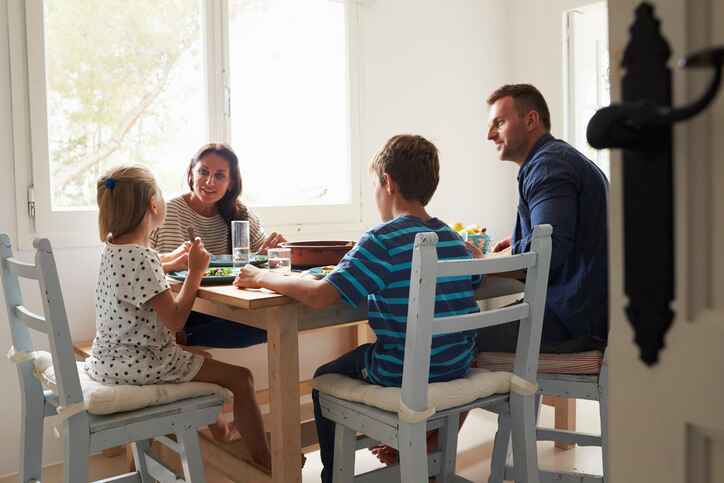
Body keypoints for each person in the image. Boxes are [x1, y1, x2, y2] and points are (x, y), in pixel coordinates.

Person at [233, 134, 482, 483]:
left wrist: (262, 276)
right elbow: (471, 283)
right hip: (455, 364)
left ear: (388, 182)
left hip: (406, 371)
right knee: (371, 355)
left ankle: (335, 477)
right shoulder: (454, 240)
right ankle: (413, 450)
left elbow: (320, 295)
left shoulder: (382, 239)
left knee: (323, 379)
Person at [85, 165, 271, 472]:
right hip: (142, 365)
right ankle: (266, 461)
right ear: (154, 206)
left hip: (109, 360)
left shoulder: (113, 248)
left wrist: (175, 259)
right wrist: (195, 271)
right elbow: (175, 321)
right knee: (242, 378)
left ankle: (223, 432)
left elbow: (151, 264)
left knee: (200, 355)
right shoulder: (141, 257)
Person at [480, 83, 609, 353]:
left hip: (572, 320)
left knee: (452, 339)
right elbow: (563, 237)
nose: (489, 135)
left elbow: (549, 250)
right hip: (587, 313)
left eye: (499, 123)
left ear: (530, 120)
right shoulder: (559, 159)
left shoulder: (547, 166)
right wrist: (517, 242)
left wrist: (482, 263)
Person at [151, 143, 285, 349]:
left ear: (231, 182)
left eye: (220, 175)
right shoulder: (166, 212)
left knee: (276, 325)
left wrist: (268, 253)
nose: (209, 181)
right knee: (271, 327)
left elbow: (260, 257)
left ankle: (184, 339)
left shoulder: (240, 214)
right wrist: (174, 260)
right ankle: (178, 338)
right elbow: (138, 261)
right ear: (191, 174)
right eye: (203, 172)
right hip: (178, 308)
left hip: (226, 306)